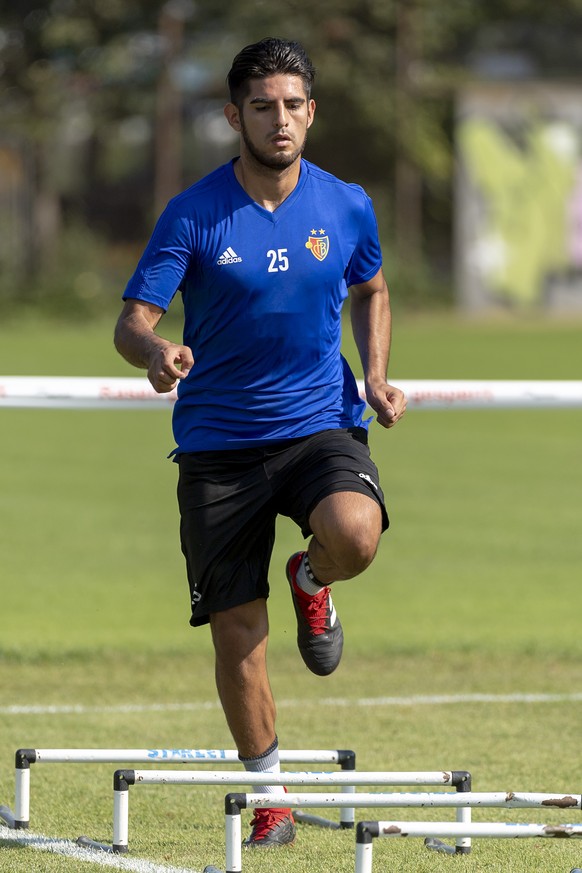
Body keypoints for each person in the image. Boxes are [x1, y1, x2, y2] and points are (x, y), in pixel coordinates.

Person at [114, 36, 406, 849]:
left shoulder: (346, 204)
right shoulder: (194, 212)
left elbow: (373, 287)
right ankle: (269, 795)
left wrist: (376, 374)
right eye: (263, 106)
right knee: (239, 630)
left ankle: (313, 576)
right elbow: (132, 320)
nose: (280, 121)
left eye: (293, 105)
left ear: (311, 112)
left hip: (319, 422)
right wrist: (156, 352)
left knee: (356, 532)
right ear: (234, 114)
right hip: (219, 442)